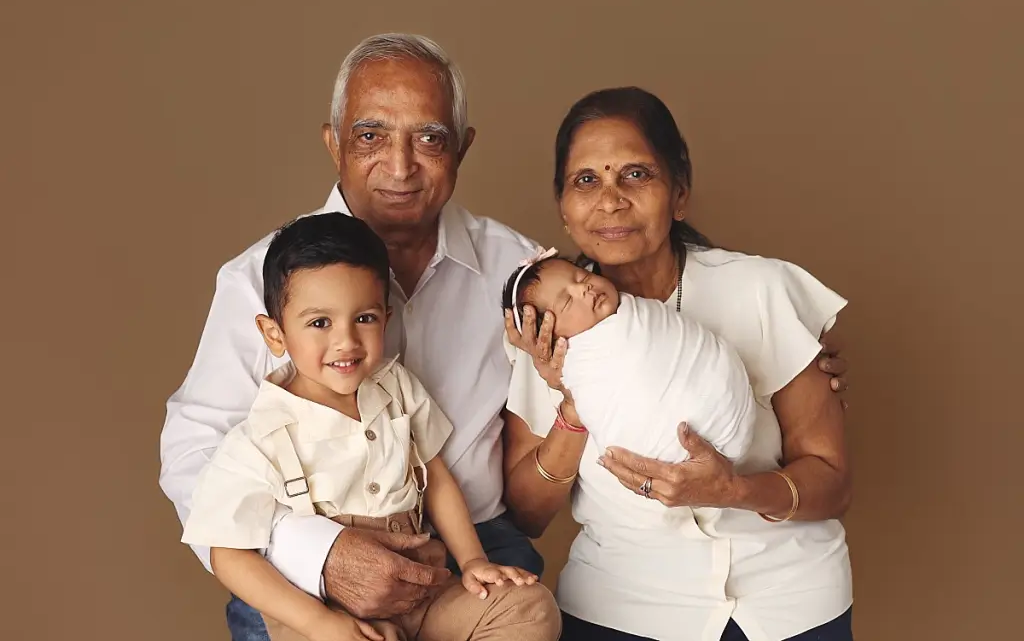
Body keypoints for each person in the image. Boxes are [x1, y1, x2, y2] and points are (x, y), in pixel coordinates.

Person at [159, 33, 550, 641]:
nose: (400, 165)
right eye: (370, 135)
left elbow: (500, 452)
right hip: (302, 567)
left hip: (469, 545)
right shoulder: (257, 278)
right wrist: (319, 552)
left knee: (526, 612)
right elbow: (194, 454)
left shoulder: (521, 273)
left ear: (462, 148)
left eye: (429, 138)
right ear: (333, 143)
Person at [502, 87, 855, 640]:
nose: (610, 200)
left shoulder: (763, 290)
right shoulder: (544, 329)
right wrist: (572, 408)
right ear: (564, 210)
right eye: (586, 180)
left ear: (680, 193)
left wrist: (735, 491)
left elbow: (833, 483)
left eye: (636, 174)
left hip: (786, 604)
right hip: (623, 607)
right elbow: (527, 515)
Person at [181, 213, 558, 641]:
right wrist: (321, 624)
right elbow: (228, 554)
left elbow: (435, 477)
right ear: (274, 334)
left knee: (529, 608)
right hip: (324, 615)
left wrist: (472, 561)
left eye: (364, 318)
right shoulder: (256, 439)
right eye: (320, 323)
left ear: (386, 317)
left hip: (423, 594)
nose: (346, 341)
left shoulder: (396, 387)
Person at [500, 251, 756, 465]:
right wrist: (568, 398)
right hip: (669, 454)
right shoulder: (574, 360)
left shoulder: (633, 310)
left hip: (732, 405)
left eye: (582, 277)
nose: (584, 288)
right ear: (547, 334)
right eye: (567, 301)